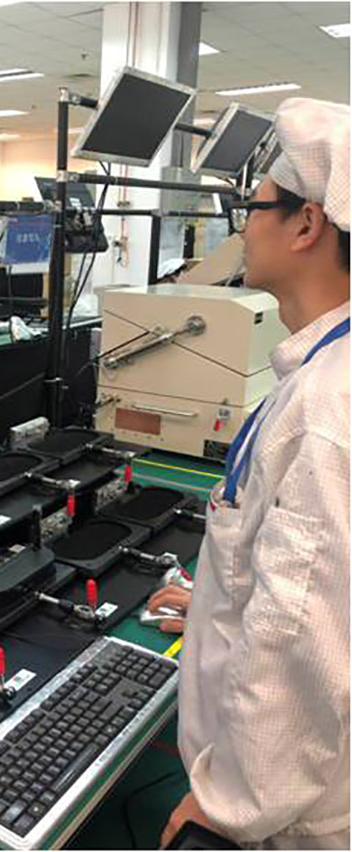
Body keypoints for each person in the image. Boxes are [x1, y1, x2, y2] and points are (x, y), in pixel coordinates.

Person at [160, 97, 350, 850]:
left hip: (285, 822)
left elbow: (303, 640)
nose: (244, 225)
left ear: (307, 226)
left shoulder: (327, 411)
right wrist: (213, 600)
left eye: (255, 207)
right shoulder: (324, 372)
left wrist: (227, 806)